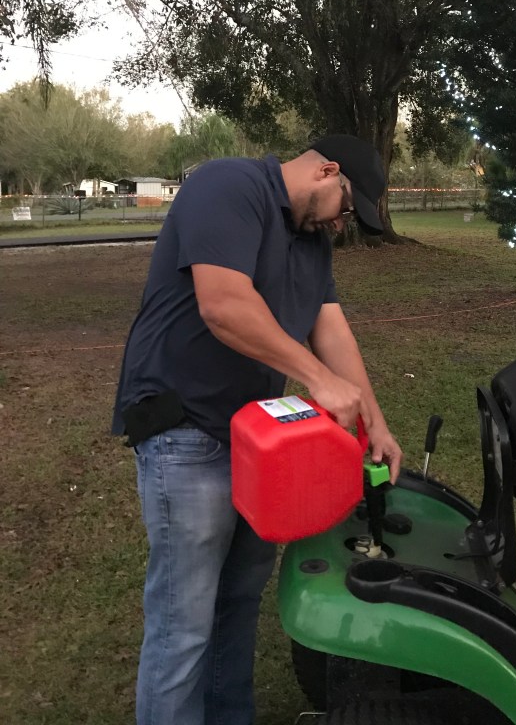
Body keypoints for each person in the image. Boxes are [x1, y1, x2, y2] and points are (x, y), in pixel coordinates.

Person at [112, 134, 402, 725]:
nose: (342, 224)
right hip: (184, 431)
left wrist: (376, 424)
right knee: (184, 626)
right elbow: (224, 304)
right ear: (326, 171)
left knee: (238, 604)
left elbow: (332, 331)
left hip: (256, 444)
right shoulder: (228, 185)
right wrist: (318, 381)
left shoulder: (312, 241)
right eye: (347, 207)